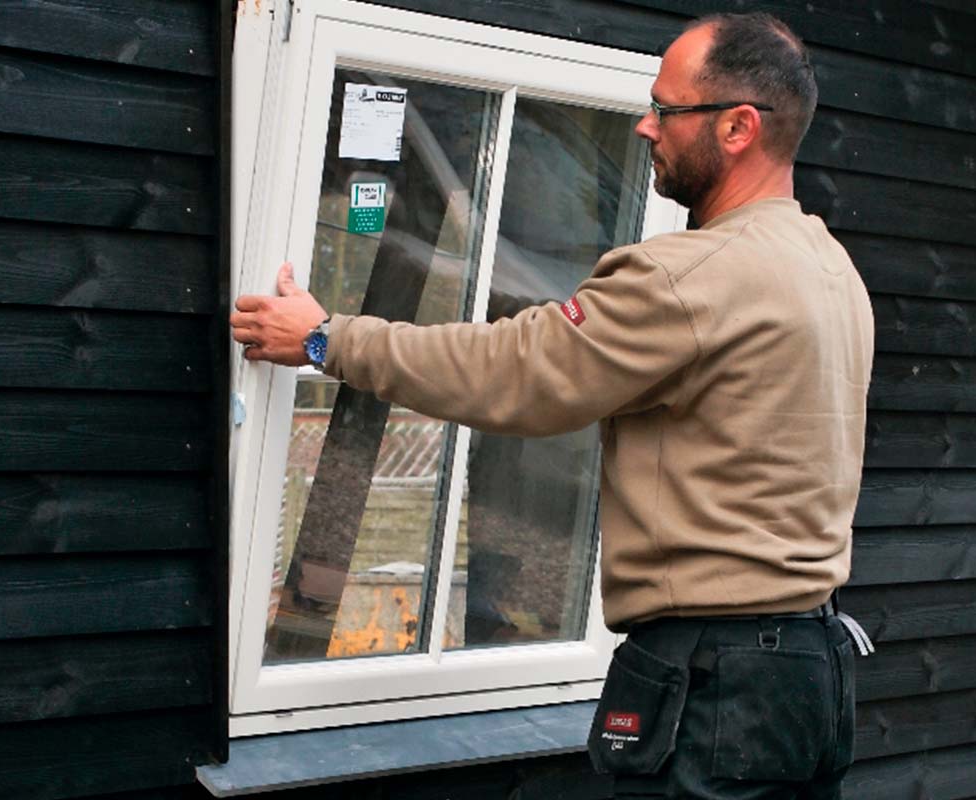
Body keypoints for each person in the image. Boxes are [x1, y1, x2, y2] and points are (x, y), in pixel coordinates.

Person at [231, 12, 874, 799]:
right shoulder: (831, 271)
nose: (645, 126)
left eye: (666, 109)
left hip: (717, 679)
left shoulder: (693, 277)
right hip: (811, 671)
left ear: (738, 127)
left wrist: (326, 338)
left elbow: (513, 371)